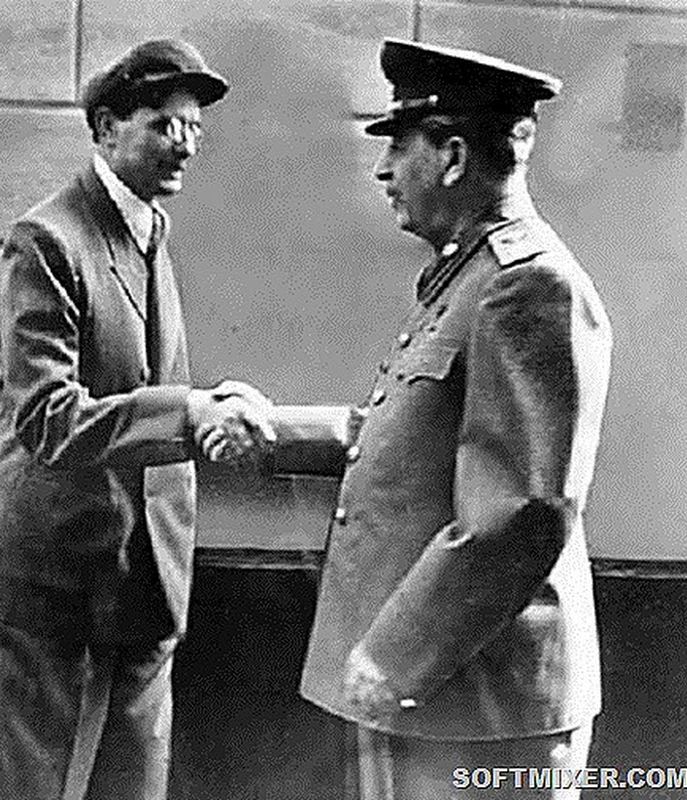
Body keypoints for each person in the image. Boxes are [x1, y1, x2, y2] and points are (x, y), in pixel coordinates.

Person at [239, 38, 613, 799]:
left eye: (398, 146)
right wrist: (271, 431)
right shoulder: (467, 276)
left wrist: (394, 656)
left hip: (476, 709)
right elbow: (406, 436)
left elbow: (525, 508)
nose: (383, 170)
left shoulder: (525, 285)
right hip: (442, 699)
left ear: (453, 157)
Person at [0, 38, 273, 800]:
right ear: (105, 128)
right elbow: (48, 418)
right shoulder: (47, 240)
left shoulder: (150, 231)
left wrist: (213, 406)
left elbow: (139, 382)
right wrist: (190, 411)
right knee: (26, 789)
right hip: (50, 586)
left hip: (146, 584)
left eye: (193, 127)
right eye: (165, 124)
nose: (186, 144)